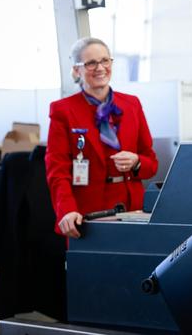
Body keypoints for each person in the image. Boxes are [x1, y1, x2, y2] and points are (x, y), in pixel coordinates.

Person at [45, 37, 158, 238]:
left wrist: (137, 162)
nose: (100, 68)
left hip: (133, 209)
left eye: (105, 60)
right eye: (91, 63)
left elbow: (151, 163)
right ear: (77, 70)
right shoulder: (63, 110)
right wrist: (67, 210)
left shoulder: (132, 105)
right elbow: (57, 171)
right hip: (86, 213)